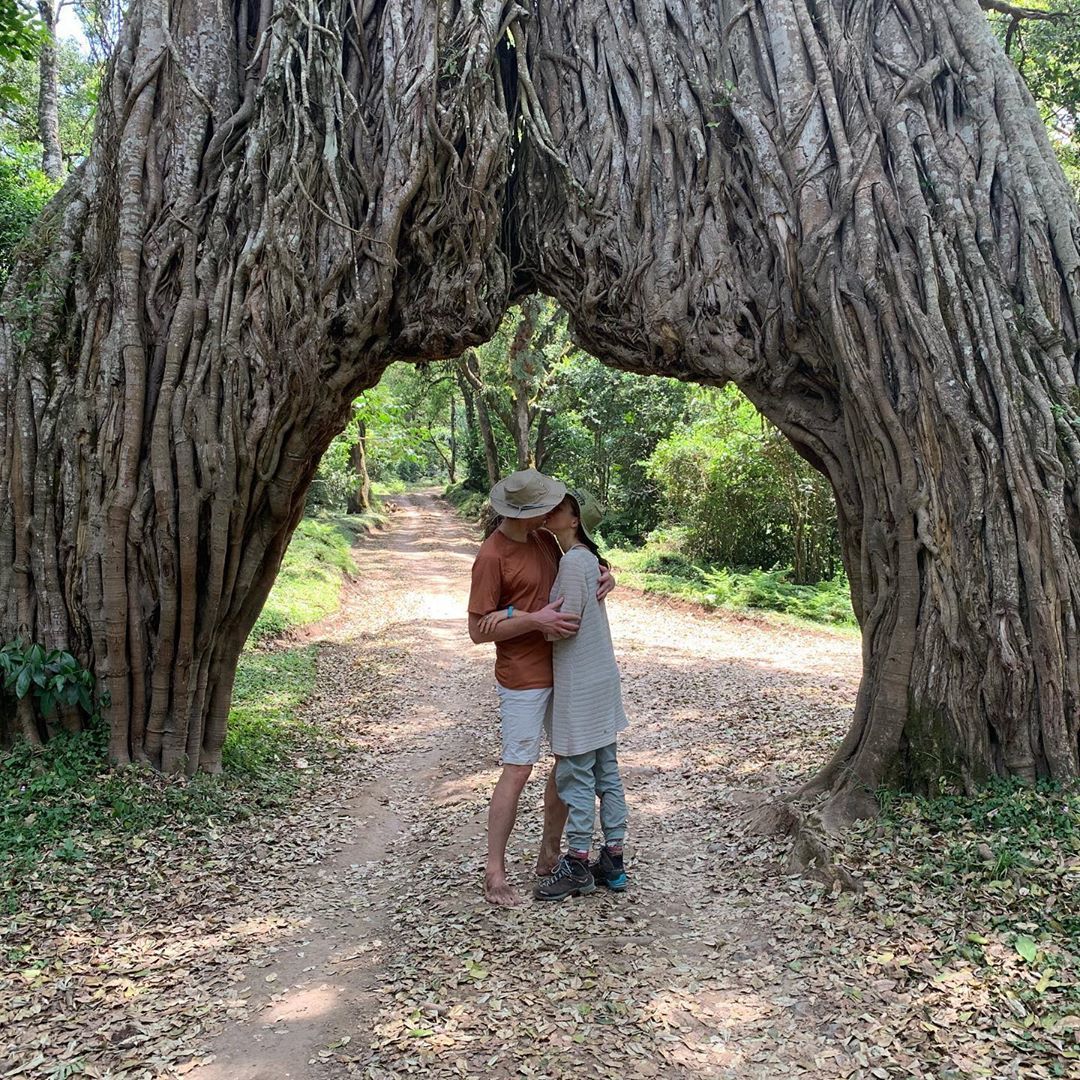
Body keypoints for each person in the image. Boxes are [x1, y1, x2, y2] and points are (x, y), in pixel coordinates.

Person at [467, 469, 615, 907]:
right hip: (523, 677)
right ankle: (495, 872)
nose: (553, 511)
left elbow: (580, 569)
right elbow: (478, 629)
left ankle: (549, 857)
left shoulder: (545, 541)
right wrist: (533, 620)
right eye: (546, 505)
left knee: (568, 761)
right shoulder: (492, 556)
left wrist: (607, 575)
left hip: (565, 670)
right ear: (528, 510)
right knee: (518, 767)